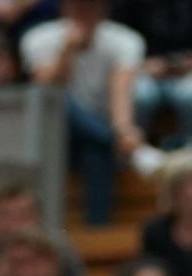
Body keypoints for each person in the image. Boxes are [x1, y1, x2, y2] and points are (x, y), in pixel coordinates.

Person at [22, 0, 146, 225]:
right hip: (53, 133)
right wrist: (67, 50)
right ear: (65, 8)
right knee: (62, 102)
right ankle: (120, 145)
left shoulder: (126, 40)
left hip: (95, 132)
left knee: (96, 153)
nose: (85, 13)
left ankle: (97, 231)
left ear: (104, 9)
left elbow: (121, 90)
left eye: (92, 6)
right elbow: (46, 92)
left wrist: (123, 128)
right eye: (79, 6)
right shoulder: (38, 38)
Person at [116, 0, 192, 148]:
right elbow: (119, 47)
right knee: (140, 95)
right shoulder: (131, 5)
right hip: (144, 72)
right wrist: (142, 65)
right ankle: (135, 152)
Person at [0, 180, 86, 276]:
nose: (14, 226)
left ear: (38, 218)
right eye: (6, 216)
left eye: (22, 216)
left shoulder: (61, 252)